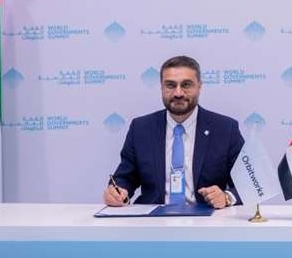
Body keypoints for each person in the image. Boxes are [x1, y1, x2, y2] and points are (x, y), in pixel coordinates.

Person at [104, 55, 244, 208]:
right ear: (161, 87)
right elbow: (125, 178)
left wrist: (226, 197)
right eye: (170, 85)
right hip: (154, 219)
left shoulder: (225, 129)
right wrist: (117, 192)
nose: (178, 93)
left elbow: (249, 184)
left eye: (186, 85)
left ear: (199, 86)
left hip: (207, 218)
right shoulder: (141, 128)